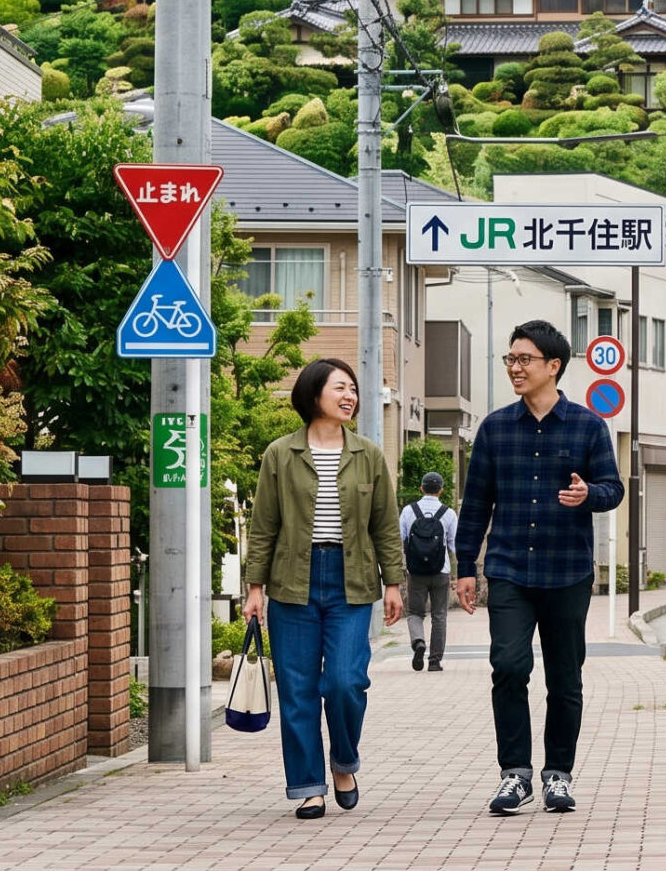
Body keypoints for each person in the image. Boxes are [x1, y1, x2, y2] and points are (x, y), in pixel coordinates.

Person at [456, 320, 623, 817]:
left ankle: (558, 775)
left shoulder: (589, 426)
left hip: (568, 571)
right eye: (510, 359)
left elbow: (611, 488)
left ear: (553, 366)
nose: (514, 367)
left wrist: (586, 494)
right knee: (508, 666)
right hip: (508, 568)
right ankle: (515, 774)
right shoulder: (494, 427)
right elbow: (476, 502)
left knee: (565, 678)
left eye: (524, 359)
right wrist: (466, 566)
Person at [243, 359, 404, 820]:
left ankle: (344, 762)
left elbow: (385, 526)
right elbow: (264, 525)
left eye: (353, 388)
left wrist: (393, 582)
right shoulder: (280, 454)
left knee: (345, 682)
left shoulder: (368, 455)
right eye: (340, 388)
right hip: (292, 580)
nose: (350, 396)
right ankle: (308, 786)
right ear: (314, 395)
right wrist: (255, 587)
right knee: (297, 690)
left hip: (351, 580)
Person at [399, 472, 458, 671]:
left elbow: (401, 539)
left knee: (415, 612)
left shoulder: (408, 511)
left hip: (415, 572)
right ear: (441, 490)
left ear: (421, 488)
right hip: (441, 571)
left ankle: (418, 642)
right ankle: (435, 661)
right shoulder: (448, 513)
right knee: (439, 615)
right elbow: (453, 545)